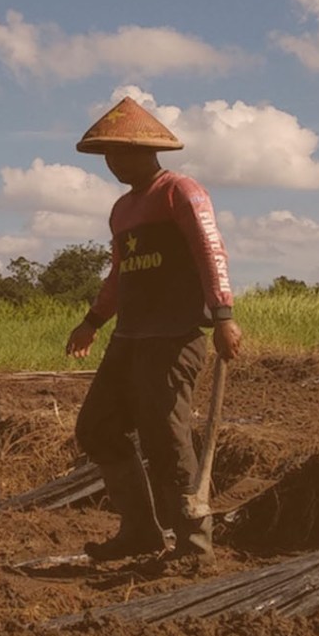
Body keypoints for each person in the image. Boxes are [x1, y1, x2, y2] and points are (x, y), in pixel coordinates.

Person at [64, 96, 242, 564]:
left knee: (167, 435)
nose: (111, 165)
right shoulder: (123, 210)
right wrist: (92, 321)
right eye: (106, 156)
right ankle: (141, 530)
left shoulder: (181, 192)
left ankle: (193, 544)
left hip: (175, 336)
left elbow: (210, 250)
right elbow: (120, 275)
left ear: (144, 150)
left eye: (117, 154)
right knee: (97, 428)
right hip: (129, 340)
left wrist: (223, 316)